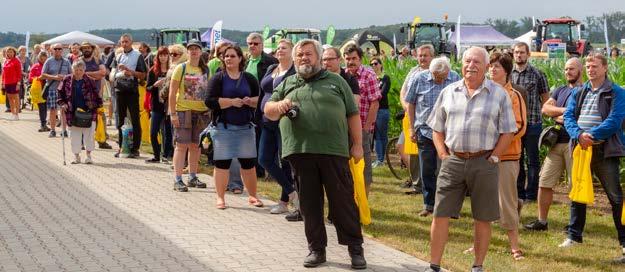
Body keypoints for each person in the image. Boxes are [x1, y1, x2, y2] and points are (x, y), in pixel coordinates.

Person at [264, 39, 366, 270]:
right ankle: (316, 250)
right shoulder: (288, 82)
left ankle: (355, 250)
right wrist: (279, 106)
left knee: (343, 203)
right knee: (310, 206)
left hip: (334, 151)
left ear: (319, 57)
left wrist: (358, 144)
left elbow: (352, 114)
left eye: (308, 54)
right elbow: (268, 111)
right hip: (300, 152)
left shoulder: (337, 81)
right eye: (299, 55)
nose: (303, 58)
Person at [425, 47, 517, 272]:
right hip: (453, 160)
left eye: (477, 62)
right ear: (461, 64)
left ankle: (477, 266)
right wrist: (443, 154)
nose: (471, 65)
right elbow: (437, 128)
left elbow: (508, 131)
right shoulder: (449, 91)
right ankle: (433, 266)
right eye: (467, 61)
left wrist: (494, 157)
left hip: (483, 162)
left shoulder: (499, 94)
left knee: (483, 217)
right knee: (440, 213)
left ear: (486, 67)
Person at [560, 52, 625, 264]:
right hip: (581, 147)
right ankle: (574, 235)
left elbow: (615, 120)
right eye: (588, 65)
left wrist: (592, 135)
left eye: (595, 65)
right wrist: (579, 135)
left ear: (605, 68)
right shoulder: (579, 91)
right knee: (577, 191)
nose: (590, 69)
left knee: (615, 197)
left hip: (604, 150)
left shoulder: (616, 92)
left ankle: (624, 242)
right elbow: (569, 116)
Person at [525, 58, 582, 231]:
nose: (567, 72)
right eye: (565, 69)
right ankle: (542, 221)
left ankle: (574, 225)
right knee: (544, 181)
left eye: (571, 69)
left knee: (575, 185)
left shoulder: (585, 91)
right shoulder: (560, 90)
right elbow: (545, 109)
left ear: (580, 70)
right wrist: (567, 112)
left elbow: (582, 114)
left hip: (576, 143)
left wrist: (558, 114)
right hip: (556, 143)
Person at [205, 44, 263, 209]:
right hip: (223, 128)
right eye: (226, 56)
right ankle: (220, 198)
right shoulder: (218, 78)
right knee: (222, 164)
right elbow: (209, 101)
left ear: (240, 58)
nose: (228, 59)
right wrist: (231, 102)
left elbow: (259, 99)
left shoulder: (249, 78)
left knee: (248, 164)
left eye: (232, 56)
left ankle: (253, 196)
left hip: (245, 127)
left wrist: (249, 101)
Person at [405, 56, 460, 217]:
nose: (438, 80)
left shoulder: (455, 78)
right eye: (435, 76)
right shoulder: (419, 78)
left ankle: (450, 208)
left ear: (448, 72)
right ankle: (429, 205)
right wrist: (411, 128)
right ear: (431, 71)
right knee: (427, 170)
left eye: (442, 78)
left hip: (449, 132)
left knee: (449, 170)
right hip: (425, 131)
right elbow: (410, 103)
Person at [487, 52, 528, 260]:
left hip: (506, 157)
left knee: (507, 203)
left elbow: (519, 127)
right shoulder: (483, 92)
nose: (492, 70)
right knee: (483, 202)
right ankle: (479, 243)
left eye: (497, 67)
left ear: (506, 71)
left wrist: (497, 146)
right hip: (483, 157)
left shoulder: (514, 96)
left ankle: (514, 246)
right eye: (491, 66)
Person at [258, 39, 297, 214]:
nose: (280, 50)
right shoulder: (271, 68)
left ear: (292, 51)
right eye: (278, 48)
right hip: (266, 121)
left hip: (283, 122)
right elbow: (262, 92)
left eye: (284, 48)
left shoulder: (294, 72)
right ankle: (292, 193)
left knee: (285, 161)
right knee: (264, 159)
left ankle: (284, 202)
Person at [168, 40, 209, 192]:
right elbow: (172, 93)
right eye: (191, 49)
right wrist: (173, 113)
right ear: (187, 51)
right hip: (183, 111)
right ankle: (178, 179)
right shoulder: (181, 68)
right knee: (181, 145)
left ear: (200, 51)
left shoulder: (205, 70)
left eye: (196, 48)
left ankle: (192, 176)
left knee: (195, 146)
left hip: (201, 112)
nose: (193, 51)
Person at [512, 42, 550, 203]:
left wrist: (539, 114)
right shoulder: (508, 75)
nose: (519, 55)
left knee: (532, 160)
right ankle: (519, 193)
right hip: (514, 125)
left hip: (533, 123)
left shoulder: (538, 74)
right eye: (516, 52)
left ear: (528, 54)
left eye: (522, 52)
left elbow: (546, 99)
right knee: (517, 158)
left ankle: (531, 194)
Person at [344, 44, 382, 196]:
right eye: (347, 59)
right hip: (343, 129)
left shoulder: (368, 75)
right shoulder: (343, 75)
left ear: (360, 59)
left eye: (354, 58)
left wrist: (366, 128)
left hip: (361, 129)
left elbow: (375, 103)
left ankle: (362, 205)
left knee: (363, 168)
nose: (350, 62)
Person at [401, 44, 434, 194]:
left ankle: (428, 184)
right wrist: (407, 108)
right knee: (408, 149)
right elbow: (404, 92)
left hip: (428, 121)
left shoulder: (438, 71)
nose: (422, 58)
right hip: (411, 117)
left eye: (425, 55)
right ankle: (417, 183)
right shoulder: (413, 72)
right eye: (420, 55)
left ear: (432, 57)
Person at [57, 60, 103, 164]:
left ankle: (88, 156)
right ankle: (76, 156)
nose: (78, 72)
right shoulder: (67, 79)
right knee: (74, 136)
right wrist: (62, 103)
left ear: (84, 70)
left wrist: (96, 106)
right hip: (72, 112)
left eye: (80, 70)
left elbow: (97, 95)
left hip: (88, 112)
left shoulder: (90, 80)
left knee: (89, 136)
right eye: (76, 70)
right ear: (72, 69)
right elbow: (60, 93)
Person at [246, 32, 278, 178]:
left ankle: (265, 169)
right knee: (252, 137)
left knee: (262, 138)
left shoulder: (270, 62)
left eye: (256, 44)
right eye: (250, 44)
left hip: (263, 104)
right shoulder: (246, 61)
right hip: (247, 106)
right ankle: (256, 169)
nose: (252, 46)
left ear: (262, 45)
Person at [112, 34, 147, 158]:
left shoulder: (137, 56)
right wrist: (116, 75)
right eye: (122, 42)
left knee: (135, 119)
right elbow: (112, 73)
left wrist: (129, 72)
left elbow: (143, 75)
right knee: (120, 120)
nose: (124, 44)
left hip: (132, 91)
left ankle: (135, 148)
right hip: (119, 90)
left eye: (127, 42)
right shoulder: (118, 55)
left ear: (131, 42)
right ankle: (122, 146)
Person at [80, 42, 112, 150]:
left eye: (88, 48)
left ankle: (102, 140)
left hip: (96, 95)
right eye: (84, 48)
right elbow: (77, 74)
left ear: (92, 49)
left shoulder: (98, 60)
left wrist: (87, 74)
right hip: (82, 95)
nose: (86, 50)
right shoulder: (79, 61)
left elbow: (103, 73)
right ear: (82, 50)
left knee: (100, 118)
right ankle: (82, 142)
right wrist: (95, 74)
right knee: (82, 118)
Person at [144, 46, 174, 164]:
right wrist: (155, 85)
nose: (163, 58)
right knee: (153, 132)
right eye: (161, 55)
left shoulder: (172, 70)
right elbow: (148, 87)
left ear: (168, 56)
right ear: (158, 57)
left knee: (167, 132)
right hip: (156, 105)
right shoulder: (153, 71)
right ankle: (156, 155)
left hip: (168, 105)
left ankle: (165, 155)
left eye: (165, 55)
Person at [40, 43, 72, 137]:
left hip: (64, 90)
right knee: (53, 110)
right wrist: (54, 77)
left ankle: (64, 130)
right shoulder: (49, 61)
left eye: (59, 49)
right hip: (52, 89)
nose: (57, 50)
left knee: (63, 110)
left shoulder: (66, 62)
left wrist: (64, 77)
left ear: (62, 50)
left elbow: (72, 75)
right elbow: (42, 75)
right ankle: (53, 130)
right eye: (55, 49)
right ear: (52, 50)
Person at [370, 57, 390, 168]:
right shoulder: (371, 78)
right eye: (371, 64)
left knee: (381, 135)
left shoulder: (385, 78)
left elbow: (382, 93)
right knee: (378, 135)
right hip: (374, 110)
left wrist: (372, 97)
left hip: (382, 110)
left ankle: (381, 159)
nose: (373, 65)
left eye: (376, 63)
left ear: (381, 65)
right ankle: (381, 159)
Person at [29, 51, 50, 131]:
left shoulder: (48, 66)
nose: (43, 60)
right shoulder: (35, 66)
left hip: (47, 87)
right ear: (38, 58)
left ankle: (45, 124)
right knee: (41, 107)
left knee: (45, 107)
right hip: (38, 88)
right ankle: (43, 124)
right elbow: (30, 78)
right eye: (41, 58)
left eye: (44, 58)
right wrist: (38, 78)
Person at [1, 47, 22, 120]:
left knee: (15, 98)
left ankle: (17, 114)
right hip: (7, 82)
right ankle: (12, 113)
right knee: (10, 98)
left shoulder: (17, 61)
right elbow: (3, 73)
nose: (9, 53)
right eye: (8, 52)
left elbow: (19, 73)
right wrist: (2, 82)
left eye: (11, 52)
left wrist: (18, 83)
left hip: (14, 82)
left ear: (14, 53)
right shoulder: (6, 61)